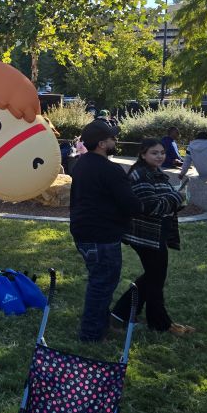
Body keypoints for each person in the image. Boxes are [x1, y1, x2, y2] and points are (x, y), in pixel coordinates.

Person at [110, 138, 193, 335]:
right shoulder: (140, 174)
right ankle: (160, 323)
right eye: (154, 153)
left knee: (154, 277)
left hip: (157, 232)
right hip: (146, 235)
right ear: (142, 154)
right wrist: (176, 197)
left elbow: (164, 201)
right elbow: (151, 207)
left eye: (162, 152)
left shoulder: (155, 172)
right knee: (155, 278)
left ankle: (122, 315)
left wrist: (178, 199)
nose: (160, 156)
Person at [69, 119, 141, 342]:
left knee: (100, 281)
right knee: (102, 285)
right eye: (112, 138)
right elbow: (131, 204)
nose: (115, 140)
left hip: (83, 233)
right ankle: (91, 334)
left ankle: (101, 325)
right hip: (102, 236)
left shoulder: (81, 164)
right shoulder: (110, 170)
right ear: (102, 143)